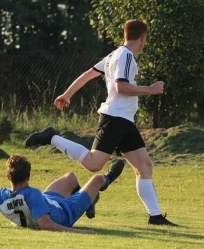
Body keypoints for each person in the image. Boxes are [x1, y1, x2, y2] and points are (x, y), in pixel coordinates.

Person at [25, 19, 177, 226]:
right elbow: (122, 87)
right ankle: (52, 137)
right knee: (94, 164)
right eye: (145, 39)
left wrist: (67, 94)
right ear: (142, 37)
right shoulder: (125, 56)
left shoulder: (115, 54)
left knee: (145, 166)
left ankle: (155, 216)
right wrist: (149, 89)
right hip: (114, 118)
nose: (145, 42)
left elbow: (89, 74)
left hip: (125, 120)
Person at [0, 155, 124, 233]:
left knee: (70, 177)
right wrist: (81, 231)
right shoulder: (32, 194)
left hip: (48, 201)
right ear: (29, 176)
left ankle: (90, 203)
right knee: (98, 179)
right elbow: (46, 225)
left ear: (8, 177)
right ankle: (104, 184)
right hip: (67, 211)